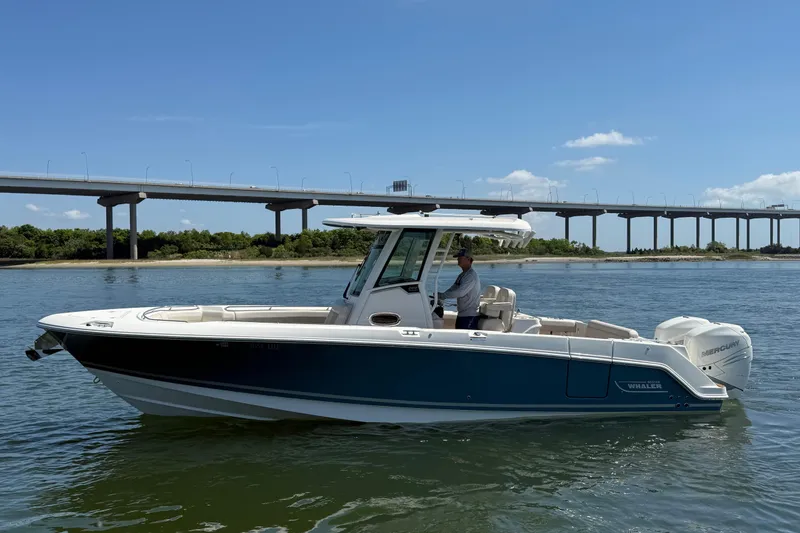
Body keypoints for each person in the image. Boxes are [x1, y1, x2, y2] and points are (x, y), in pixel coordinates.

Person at [438, 248, 481, 329]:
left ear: (468, 259)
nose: (458, 259)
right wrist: (440, 295)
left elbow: (460, 292)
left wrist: (443, 296)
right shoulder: (462, 275)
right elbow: (453, 289)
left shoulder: (470, 276)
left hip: (469, 316)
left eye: (460, 257)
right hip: (462, 315)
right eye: (458, 257)